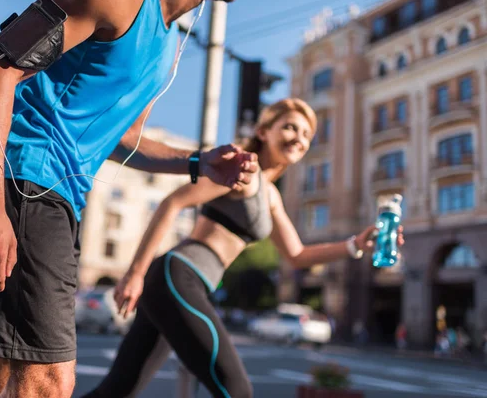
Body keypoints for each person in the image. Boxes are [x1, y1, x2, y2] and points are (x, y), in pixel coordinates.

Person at [0, 0, 256, 397]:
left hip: (65, 199)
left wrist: (198, 162)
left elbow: (124, 138)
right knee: (50, 381)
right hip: (28, 179)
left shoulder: (168, 44)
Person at [81, 98, 405, 398]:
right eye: (290, 127)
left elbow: (297, 255)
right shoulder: (242, 166)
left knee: (118, 389)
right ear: (264, 131)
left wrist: (355, 245)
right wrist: (134, 274)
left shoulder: (271, 194)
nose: (298, 138)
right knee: (236, 390)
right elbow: (173, 201)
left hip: (181, 282)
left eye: (306, 133)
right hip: (179, 276)